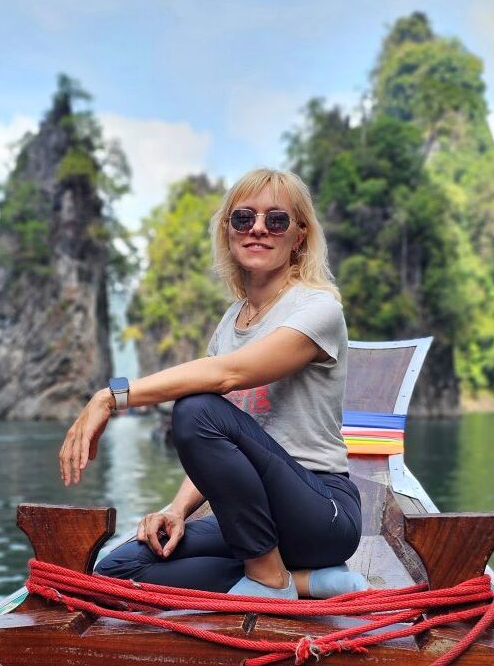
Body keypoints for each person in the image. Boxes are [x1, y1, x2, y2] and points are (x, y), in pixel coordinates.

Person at [59, 168, 366, 600]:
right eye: (244, 218)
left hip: (320, 513)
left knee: (194, 408)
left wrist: (112, 397)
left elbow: (226, 376)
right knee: (120, 567)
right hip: (255, 518)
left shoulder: (318, 309)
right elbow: (220, 447)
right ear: (228, 231)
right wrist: (176, 509)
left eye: (276, 219)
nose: (258, 228)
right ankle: (306, 581)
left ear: (299, 236)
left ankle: (269, 579)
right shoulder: (231, 321)